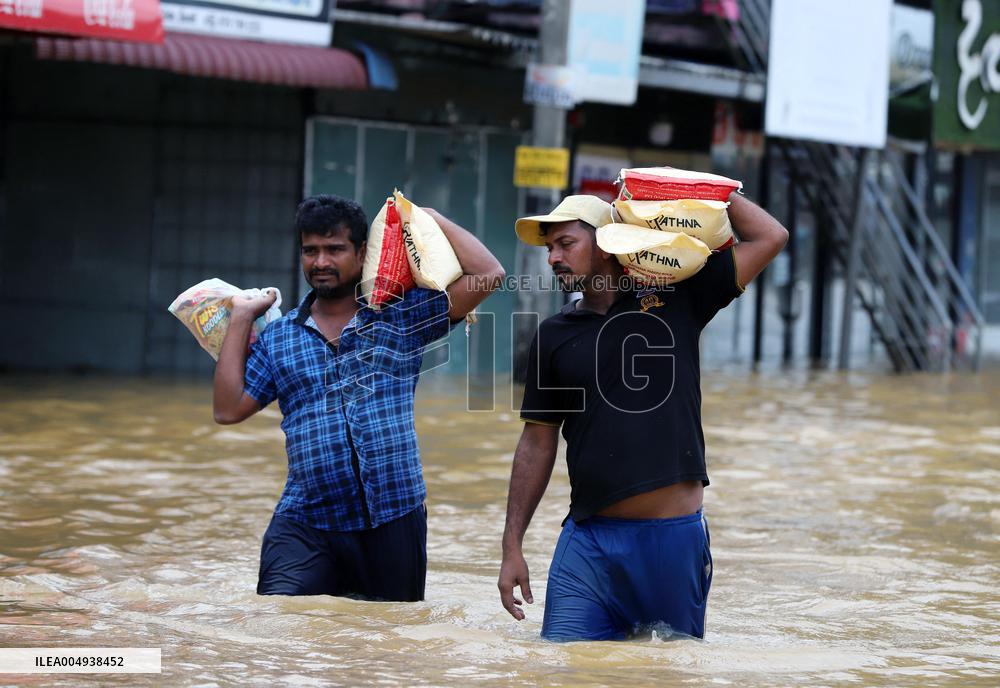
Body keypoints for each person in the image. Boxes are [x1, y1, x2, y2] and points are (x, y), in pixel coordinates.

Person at [497, 192, 787, 640]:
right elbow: (538, 441)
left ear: (606, 243)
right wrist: (511, 545)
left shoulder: (680, 299)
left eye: (566, 244)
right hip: (588, 542)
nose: (553, 257)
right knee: (558, 667)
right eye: (549, 248)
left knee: (671, 672)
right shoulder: (554, 335)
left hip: (671, 543)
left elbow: (770, 236)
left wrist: (707, 192)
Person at [214, 194, 504, 602]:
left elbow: (490, 273)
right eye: (310, 251)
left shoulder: (401, 317)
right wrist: (241, 318)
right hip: (307, 523)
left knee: (387, 643)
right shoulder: (279, 337)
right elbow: (228, 410)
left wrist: (427, 218)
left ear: (362, 252)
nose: (320, 262)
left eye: (334, 249)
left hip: (394, 516)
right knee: (277, 624)